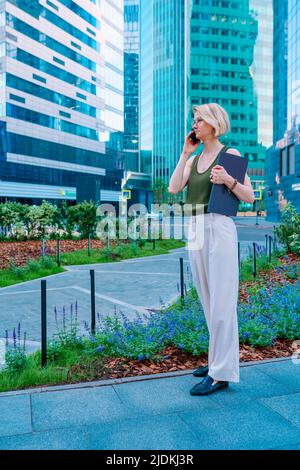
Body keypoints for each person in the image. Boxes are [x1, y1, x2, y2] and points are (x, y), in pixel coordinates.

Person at [168, 103, 255, 396]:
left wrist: (228, 180)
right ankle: (217, 361)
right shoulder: (193, 160)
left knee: (222, 301)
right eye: (194, 119)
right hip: (196, 227)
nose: (195, 124)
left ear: (214, 124)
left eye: (199, 119)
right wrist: (184, 153)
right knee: (207, 298)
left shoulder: (228, 155)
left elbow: (249, 196)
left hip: (219, 226)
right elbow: (173, 187)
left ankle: (220, 374)